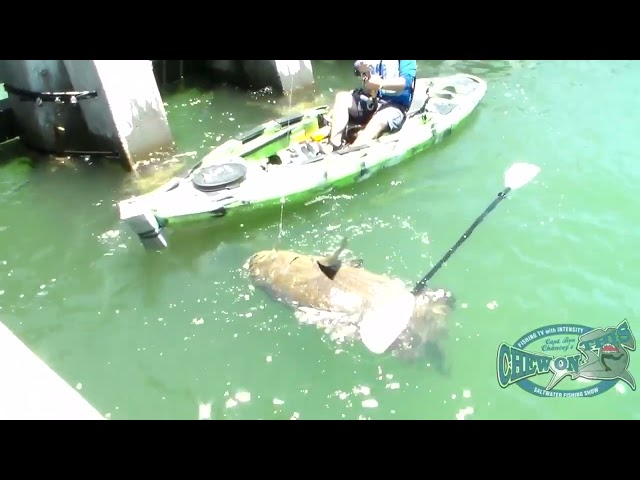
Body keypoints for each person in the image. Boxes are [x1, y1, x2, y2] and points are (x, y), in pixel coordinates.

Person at [323, 60, 417, 152]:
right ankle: (335, 144)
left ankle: (352, 151)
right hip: (371, 100)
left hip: (395, 105)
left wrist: (381, 84)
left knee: (379, 119)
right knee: (341, 97)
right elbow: (357, 67)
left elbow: (406, 82)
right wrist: (361, 68)